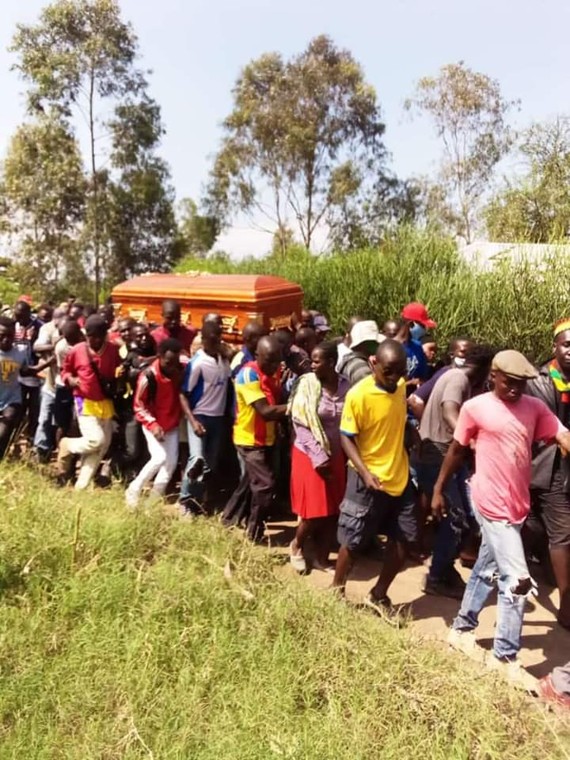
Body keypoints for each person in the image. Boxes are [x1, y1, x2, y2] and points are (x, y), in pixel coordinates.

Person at [433, 350, 570, 689]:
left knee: (485, 567)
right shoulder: (475, 408)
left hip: (517, 504)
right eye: (509, 383)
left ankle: (461, 630)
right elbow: (456, 450)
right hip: (488, 501)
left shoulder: (534, 408)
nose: (515, 390)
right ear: (493, 375)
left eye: (521, 384)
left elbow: (561, 434)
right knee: (517, 580)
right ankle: (504, 656)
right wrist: (437, 489)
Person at [332, 340, 420, 611]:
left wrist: (410, 434)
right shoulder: (358, 395)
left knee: (406, 539)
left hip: (400, 476)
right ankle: (336, 594)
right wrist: (364, 471)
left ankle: (378, 594)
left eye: (400, 371)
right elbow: (346, 438)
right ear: (373, 363)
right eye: (389, 371)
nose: (395, 378)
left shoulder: (401, 386)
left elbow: (397, 417)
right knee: (354, 541)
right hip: (367, 479)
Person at [415, 344, 494, 598]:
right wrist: (472, 442)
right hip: (436, 455)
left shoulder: (459, 378)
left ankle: (445, 569)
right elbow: (450, 412)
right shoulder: (458, 379)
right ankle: (437, 576)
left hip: (449, 456)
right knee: (455, 518)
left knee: (466, 518)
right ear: (485, 368)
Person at [288, 342, 349, 572]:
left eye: (316, 361)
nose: (311, 365)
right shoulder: (307, 385)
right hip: (309, 454)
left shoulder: (346, 386)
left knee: (334, 509)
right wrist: (318, 457)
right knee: (313, 511)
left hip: (336, 453)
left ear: (331, 362)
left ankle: (322, 558)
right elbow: (301, 424)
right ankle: (297, 545)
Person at [525, 319, 570, 629]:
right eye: (566, 344)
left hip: (565, 465)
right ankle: (566, 607)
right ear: (554, 346)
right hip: (546, 462)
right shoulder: (538, 381)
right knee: (562, 532)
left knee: (541, 525)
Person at [222, 335, 287, 542]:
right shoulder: (247, 375)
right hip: (249, 440)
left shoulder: (274, 369)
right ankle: (254, 531)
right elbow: (266, 411)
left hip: (267, 437)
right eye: (269, 360)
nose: (274, 365)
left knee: (250, 482)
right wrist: (297, 406)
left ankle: (228, 518)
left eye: (277, 359)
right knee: (265, 486)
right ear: (257, 355)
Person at [58, 315, 122, 490]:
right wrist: (70, 380)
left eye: (97, 336)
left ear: (104, 335)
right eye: (89, 336)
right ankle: (68, 445)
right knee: (96, 440)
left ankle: (82, 486)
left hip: (105, 402)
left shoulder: (112, 350)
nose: (93, 340)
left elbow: (118, 370)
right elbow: (65, 371)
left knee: (102, 447)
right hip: (84, 401)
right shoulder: (77, 350)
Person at [178, 320, 231, 514]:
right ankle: (184, 502)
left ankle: (197, 502)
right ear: (204, 339)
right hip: (200, 416)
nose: (217, 341)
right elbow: (183, 393)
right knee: (197, 460)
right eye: (212, 338)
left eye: (219, 337)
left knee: (209, 464)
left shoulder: (224, 360)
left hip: (218, 418)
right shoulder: (197, 363)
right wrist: (193, 421)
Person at [125, 339, 183, 508]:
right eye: (168, 363)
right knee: (159, 458)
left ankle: (151, 503)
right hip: (153, 424)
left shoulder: (180, 368)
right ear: (159, 357)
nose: (172, 367)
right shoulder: (148, 377)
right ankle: (133, 489)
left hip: (171, 424)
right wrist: (153, 424)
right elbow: (139, 405)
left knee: (170, 464)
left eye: (175, 363)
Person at [0, 317, 51, 460]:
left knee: (6, 424)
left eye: (9, 336)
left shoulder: (20, 352)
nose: (5, 340)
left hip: (11, 399)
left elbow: (25, 371)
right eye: (1, 336)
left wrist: (47, 364)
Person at [32, 307, 68, 460]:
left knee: (62, 421)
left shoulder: (76, 337)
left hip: (67, 388)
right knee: (45, 418)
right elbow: (37, 347)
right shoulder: (48, 330)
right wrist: (55, 347)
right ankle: (41, 450)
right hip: (51, 383)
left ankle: (62, 452)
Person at [408, 338, 474, 421]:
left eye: (472, 353)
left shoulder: (472, 376)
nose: (468, 356)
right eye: (463, 352)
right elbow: (415, 400)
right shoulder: (445, 373)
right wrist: (425, 423)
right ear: (451, 355)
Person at [13, 299, 43, 440]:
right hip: (17, 372)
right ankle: (16, 434)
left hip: (36, 372)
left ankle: (31, 435)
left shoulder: (39, 326)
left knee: (35, 407)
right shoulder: (13, 325)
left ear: (28, 313)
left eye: (21, 316)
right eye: (16, 315)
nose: (18, 319)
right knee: (19, 406)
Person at [399, 302, 436, 389]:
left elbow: (422, 377)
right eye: (422, 325)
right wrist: (409, 383)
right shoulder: (392, 349)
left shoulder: (417, 347)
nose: (425, 329)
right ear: (411, 324)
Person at [337, 320, 383, 387]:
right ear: (367, 343)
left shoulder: (359, 360)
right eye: (375, 343)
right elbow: (371, 391)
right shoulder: (359, 367)